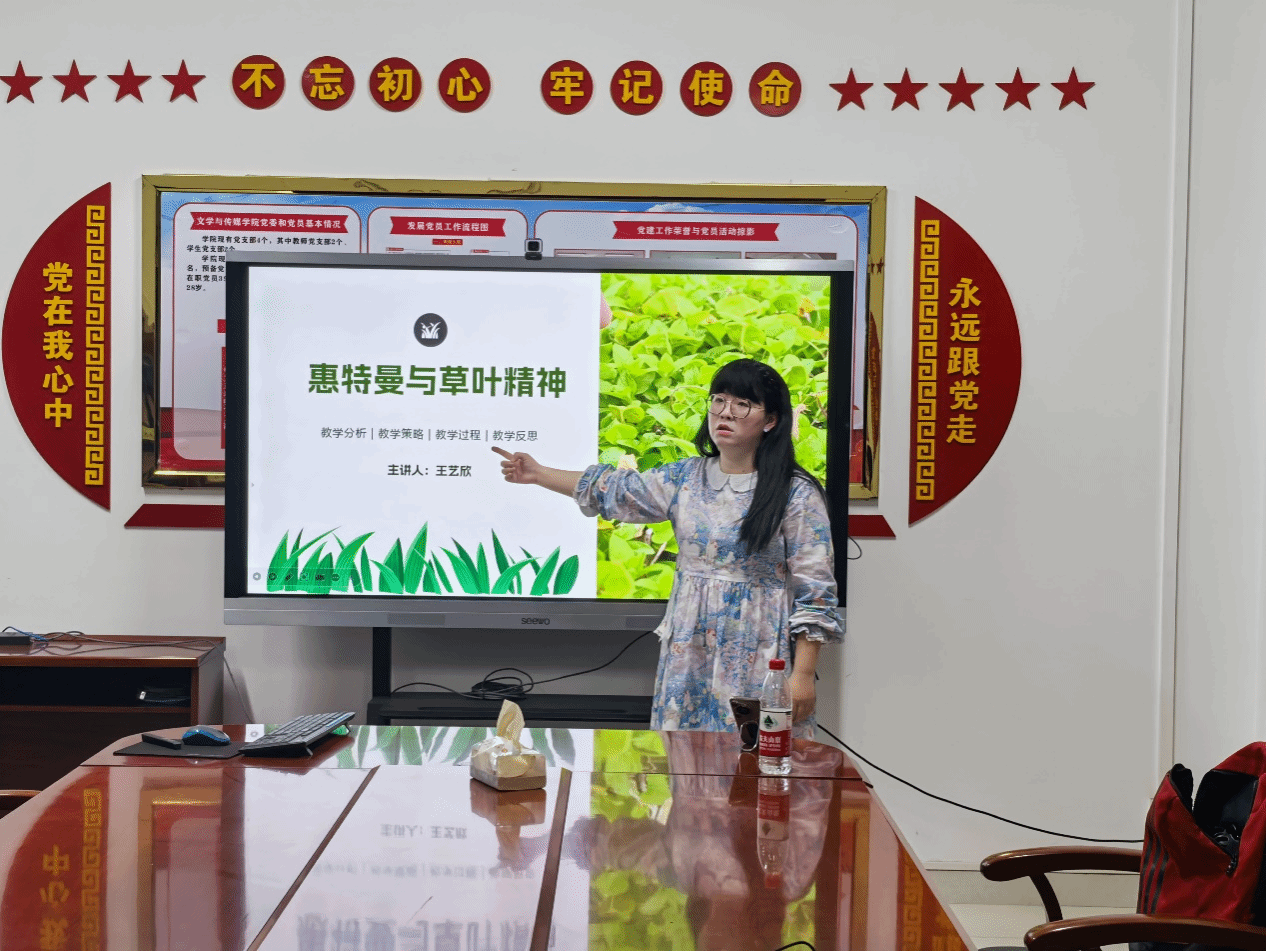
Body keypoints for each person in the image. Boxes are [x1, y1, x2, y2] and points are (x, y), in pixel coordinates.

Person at [491, 358, 843, 736]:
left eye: (743, 404)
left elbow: (815, 592)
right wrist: (538, 473)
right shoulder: (685, 478)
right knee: (686, 759)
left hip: (758, 654)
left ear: (770, 420)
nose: (725, 412)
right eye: (719, 400)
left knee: (756, 758)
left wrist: (802, 675)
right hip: (687, 655)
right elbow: (615, 490)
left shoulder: (796, 494)